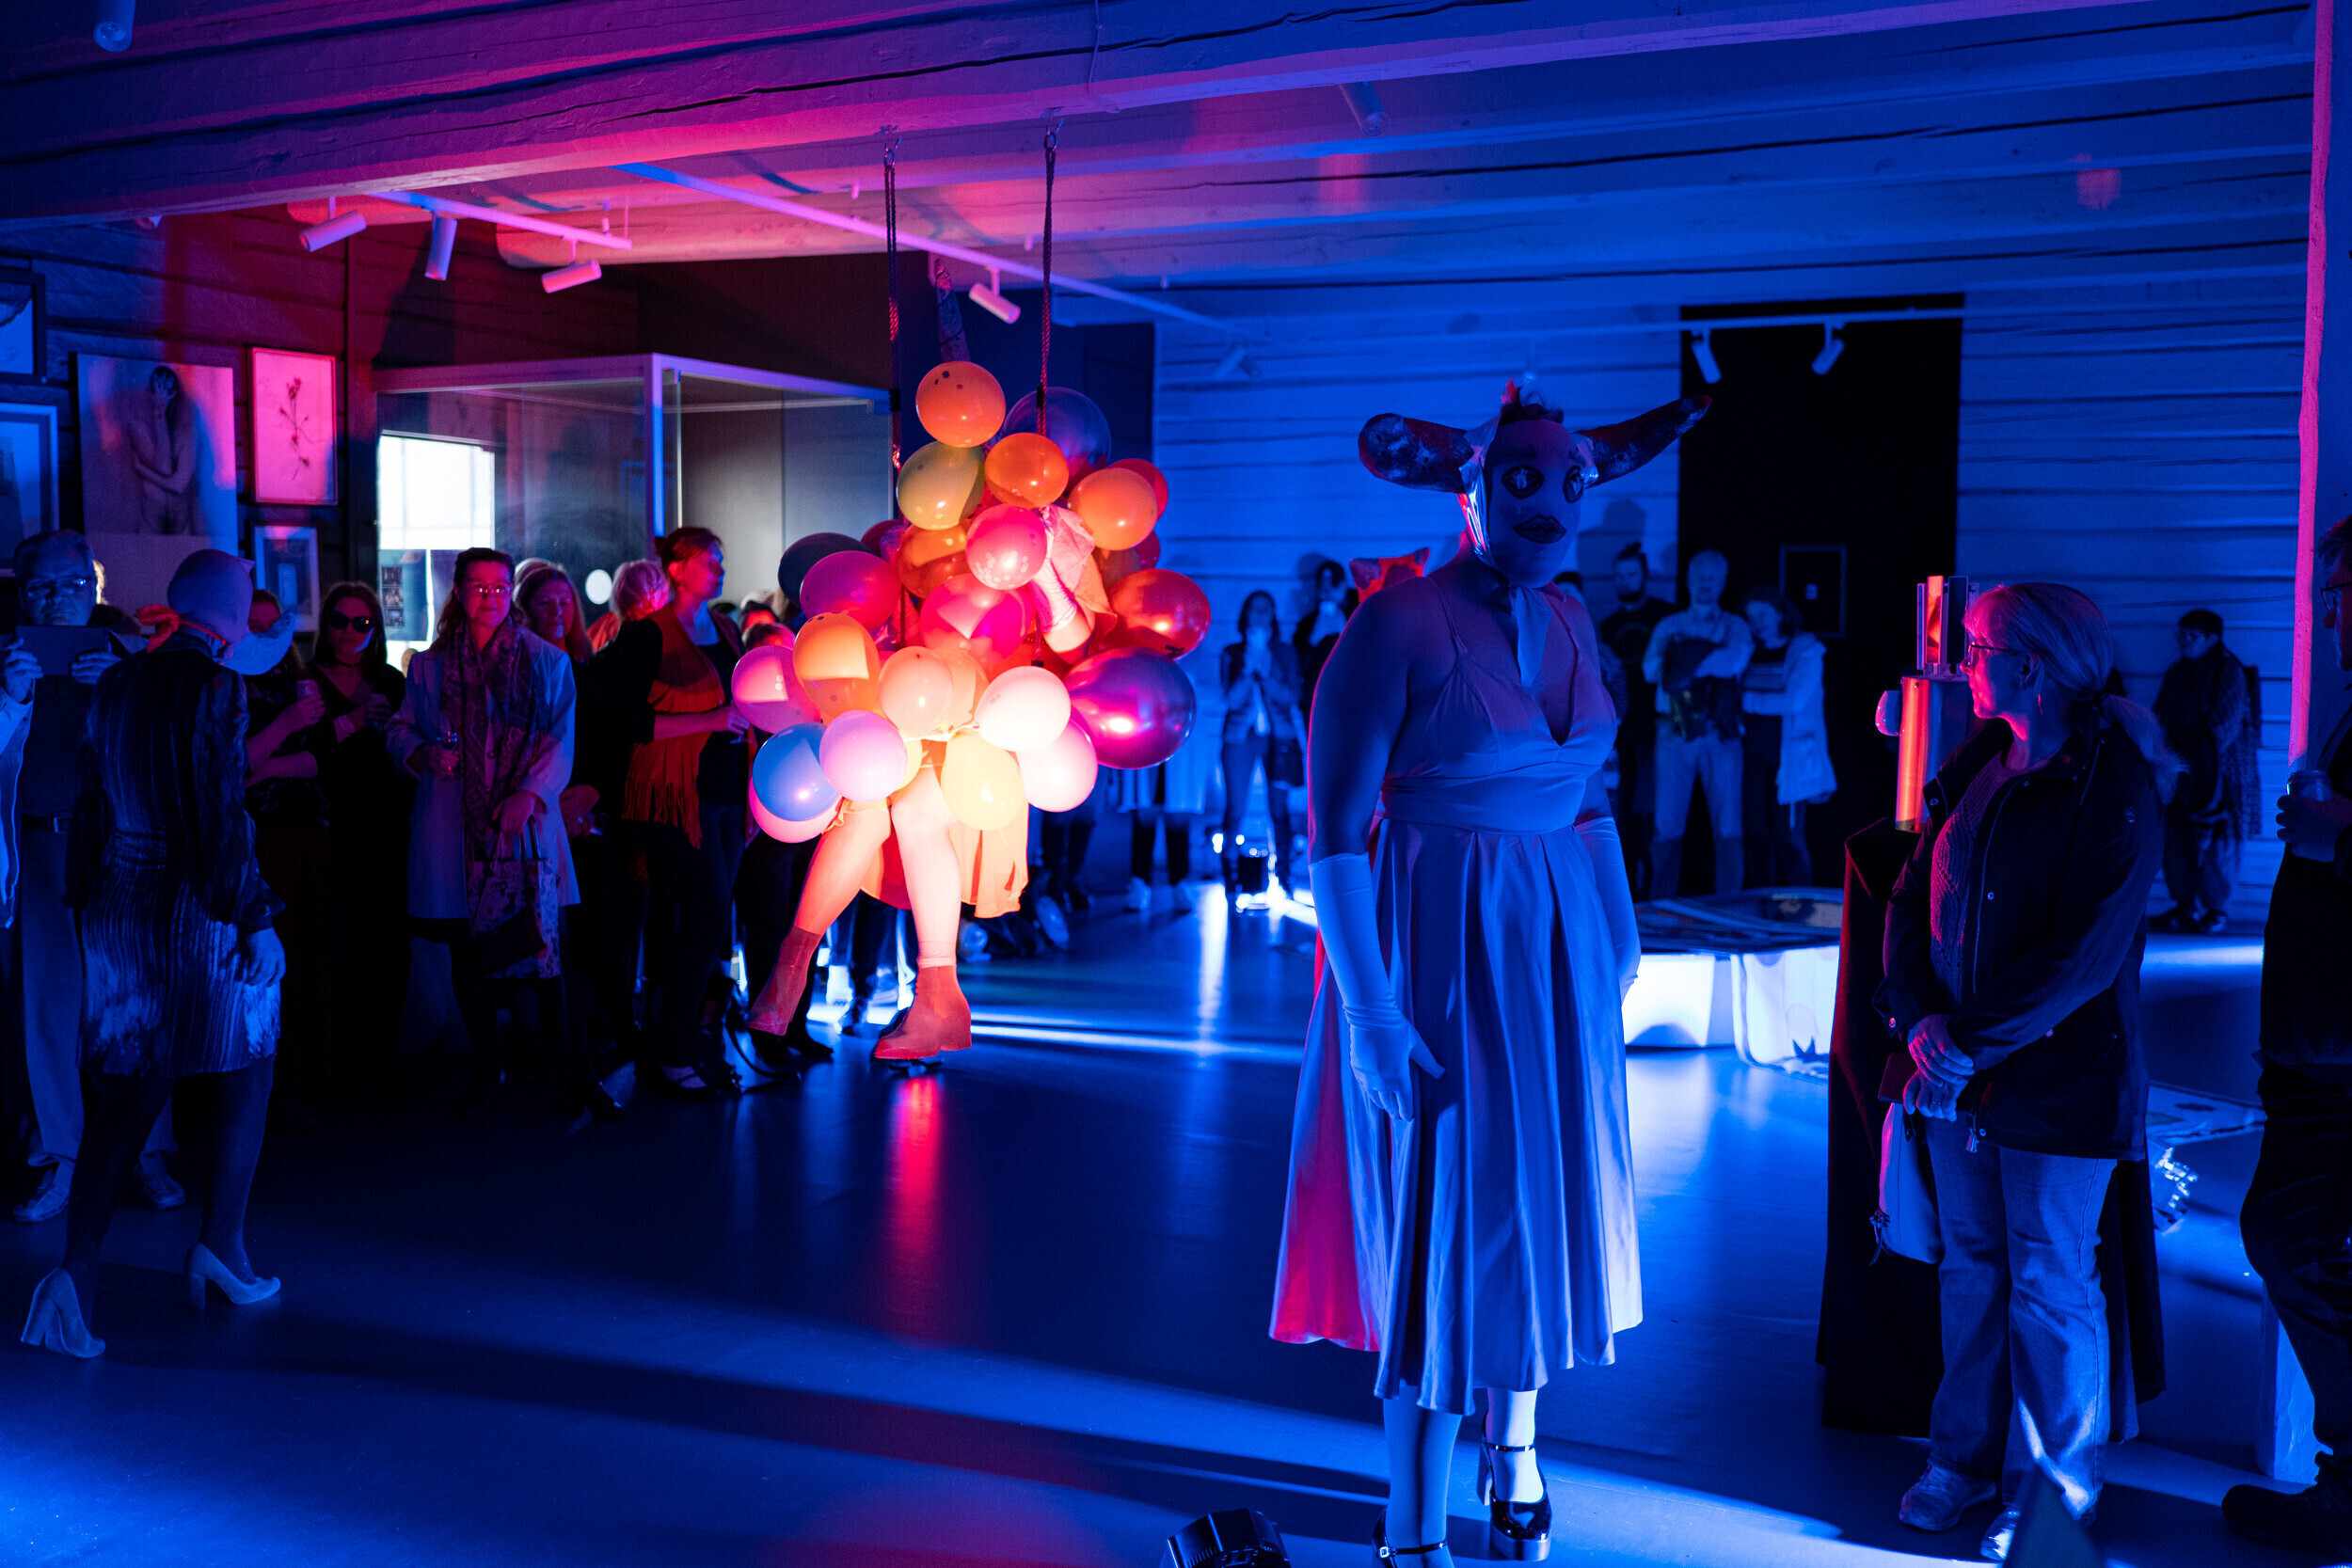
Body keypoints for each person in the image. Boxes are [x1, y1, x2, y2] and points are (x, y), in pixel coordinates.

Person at [1277, 386, 1705, 1564]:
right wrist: (1370, 1012)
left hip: (1557, 950)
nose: (1549, 501)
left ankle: (1515, 1445)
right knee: (1443, 1214)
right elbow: (1333, 836)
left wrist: (1617, 932)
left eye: (1570, 479)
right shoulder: (1396, 623)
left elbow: (1588, 791)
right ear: (1469, 487)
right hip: (1438, 939)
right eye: (1521, 477)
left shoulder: (1570, 616)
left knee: (1534, 1205)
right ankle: (1412, 1517)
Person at [1878, 582, 2175, 1561]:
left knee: (2048, 1276)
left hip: (2057, 1082)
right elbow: (1910, 895)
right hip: (1956, 1068)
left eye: (1977, 647)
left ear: (2030, 664)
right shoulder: (1977, 759)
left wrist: (1963, 1040)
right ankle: (1960, 1460)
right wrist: (1920, 1018)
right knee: (1971, 1268)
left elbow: (2084, 954)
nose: (1964, 662)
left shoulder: (2112, 780)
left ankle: (2054, 1487)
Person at [21, 549, 289, 1358]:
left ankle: (74, 1276)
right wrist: (255, 916)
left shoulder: (120, 679)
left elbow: (90, 798)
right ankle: (222, 1247)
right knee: (250, 1061)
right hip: (193, 906)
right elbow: (220, 812)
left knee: (132, 1094)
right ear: (233, 615)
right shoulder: (217, 685)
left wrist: (84, 895)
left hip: (117, 902)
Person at [2225, 518, 2352, 1555]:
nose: (2334, 616)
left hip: (2338, 1056)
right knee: (2299, 1242)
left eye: (2345, 593)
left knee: (2293, 1240)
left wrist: (2338, 837)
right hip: (2318, 1046)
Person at [2, 532, 177, 1225]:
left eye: (72, 585)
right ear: (21, 593)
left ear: (94, 588)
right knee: (46, 1008)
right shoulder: (7, 660)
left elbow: (168, 760)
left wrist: (121, 690)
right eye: (42, 587)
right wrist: (9, 698)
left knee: (130, 1003)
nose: (58, 599)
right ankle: (58, 1157)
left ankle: (144, 1152)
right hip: (41, 847)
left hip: (118, 852)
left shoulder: (132, 657)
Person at [386, 548, 581, 1117]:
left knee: (540, 947)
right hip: (453, 823)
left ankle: (568, 1071)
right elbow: (399, 728)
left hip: (522, 826)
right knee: (467, 952)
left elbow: (561, 736)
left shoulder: (545, 660)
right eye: (478, 587)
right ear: (458, 591)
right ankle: (487, 1067)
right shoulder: (429, 665)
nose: (489, 598)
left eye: (499, 588)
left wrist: (531, 793)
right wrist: (421, 753)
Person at [604, 528, 749, 1099]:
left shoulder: (726, 629)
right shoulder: (648, 634)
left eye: (721, 560)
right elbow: (625, 721)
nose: (719, 569)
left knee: (710, 921)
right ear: (677, 568)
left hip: (725, 789)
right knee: (707, 916)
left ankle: (683, 1039)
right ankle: (670, 1047)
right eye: (709, 561)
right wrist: (709, 721)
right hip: (674, 792)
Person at [519, 562, 626, 1119]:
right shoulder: (520, 671)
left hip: (588, 820)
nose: (557, 611)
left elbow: (612, 745)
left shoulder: (590, 668)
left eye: (565, 602)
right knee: (543, 941)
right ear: (525, 609)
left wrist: (592, 792)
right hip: (539, 814)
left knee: (587, 941)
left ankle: (581, 1055)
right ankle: (555, 1055)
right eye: (545, 602)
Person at [308, 582, 414, 1091]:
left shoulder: (390, 680)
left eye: (362, 623)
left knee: (395, 942)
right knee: (349, 941)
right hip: (335, 822)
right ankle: (344, 1059)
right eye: (340, 620)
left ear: (376, 629)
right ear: (325, 623)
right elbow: (306, 749)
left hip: (391, 822)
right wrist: (353, 720)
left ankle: (382, 1054)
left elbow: (413, 745)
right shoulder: (307, 679)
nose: (349, 631)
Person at [241, 590, 333, 1122]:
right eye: (253, 625)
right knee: (263, 963)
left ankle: (312, 1076)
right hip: (258, 838)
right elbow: (236, 767)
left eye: (273, 625)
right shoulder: (227, 680)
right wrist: (287, 727)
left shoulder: (296, 676)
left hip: (304, 829)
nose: (266, 634)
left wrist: (273, 765)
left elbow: (321, 760)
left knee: (310, 954)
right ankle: (272, 1089)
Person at [1641, 549, 1751, 897]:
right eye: (1700, 577)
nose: (1706, 584)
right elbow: (1650, 670)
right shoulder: (1668, 625)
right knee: (1666, 824)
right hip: (1673, 733)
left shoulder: (1734, 625)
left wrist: (1683, 661)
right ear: (1689, 580)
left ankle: (1730, 905)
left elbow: (1733, 661)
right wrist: (1705, 655)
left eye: (1713, 578)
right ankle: (1662, 906)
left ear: (1722, 582)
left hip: (1720, 732)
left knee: (1728, 825)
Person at [2153, 609, 2259, 933]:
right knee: (2176, 834)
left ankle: (2215, 909)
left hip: (2223, 771)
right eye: (2181, 634)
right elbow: (2160, 716)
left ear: (2212, 639)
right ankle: (2184, 905)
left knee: (2221, 839)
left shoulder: (2228, 671)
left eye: (2192, 635)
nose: (2184, 641)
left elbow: (2223, 727)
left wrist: (2194, 755)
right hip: (2180, 769)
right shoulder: (2177, 673)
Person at [1737, 585, 1834, 887]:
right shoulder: (1748, 652)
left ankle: (1800, 906)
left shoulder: (1805, 651)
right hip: (1753, 754)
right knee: (1757, 834)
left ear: (1780, 613)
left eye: (1763, 615)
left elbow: (1793, 701)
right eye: (1751, 618)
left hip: (1789, 757)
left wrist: (1743, 701)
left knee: (1788, 836)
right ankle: (1764, 905)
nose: (1757, 623)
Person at [1218, 592, 1304, 895]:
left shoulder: (1285, 652)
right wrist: (1248, 666)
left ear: (1273, 616)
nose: (1260, 615)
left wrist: (1266, 669)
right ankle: (1230, 877)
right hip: (1239, 737)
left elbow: (1290, 696)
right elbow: (1231, 700)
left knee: (1279, 810)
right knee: (1235, 808)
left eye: (1266, 610)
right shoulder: (1232, 652)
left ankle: (1284, 875)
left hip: (1279, 737)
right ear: (1245, 615)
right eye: (1254, 610)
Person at [1599, 544, 1670, 896]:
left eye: (1631, 574)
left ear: (1644, 576)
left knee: (1656, 810)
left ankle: (1656, 889)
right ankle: (1631, 891)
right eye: (1619, 575)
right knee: (1624, 809)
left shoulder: (1664, 616)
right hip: (1622, 730)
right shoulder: (1607, 626)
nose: (1624, 581)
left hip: (1659, 726)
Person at [1293, 558, 1355, 721]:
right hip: (1315, 702)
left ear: (1344, 586)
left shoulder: (1360, 616)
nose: (1327, 591)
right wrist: (1313, 639)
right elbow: (1296, 667)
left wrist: (1344, 629)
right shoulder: (1306, 625)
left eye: (1333, 584)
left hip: (1353, 698)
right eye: (1323, 585)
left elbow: (1371, 659)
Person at [589, 558, 670, 652]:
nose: (666, 599)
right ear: (649, 597)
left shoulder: (605, 633)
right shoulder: (648, 642)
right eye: (663, 594)